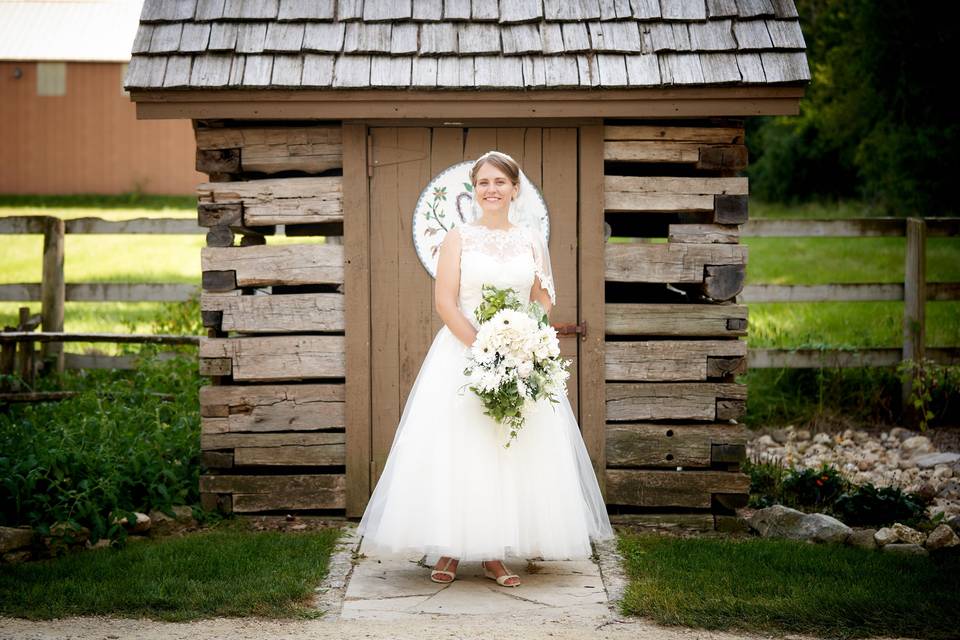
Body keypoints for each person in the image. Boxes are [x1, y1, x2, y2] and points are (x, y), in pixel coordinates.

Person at [355, 150, 614, 587]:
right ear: (474, 191)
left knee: (504, 450)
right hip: (462, 354)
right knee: (459, 449)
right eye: (483, 183)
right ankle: (451, 549)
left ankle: (494, 554)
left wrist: (520, 342)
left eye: (499, 182)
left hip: (516, 354)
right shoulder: (458, 237)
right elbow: (444, 302)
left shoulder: (531, 238)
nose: (491, 190)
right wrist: (483, 347)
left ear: (515, 189)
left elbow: (543, 298)